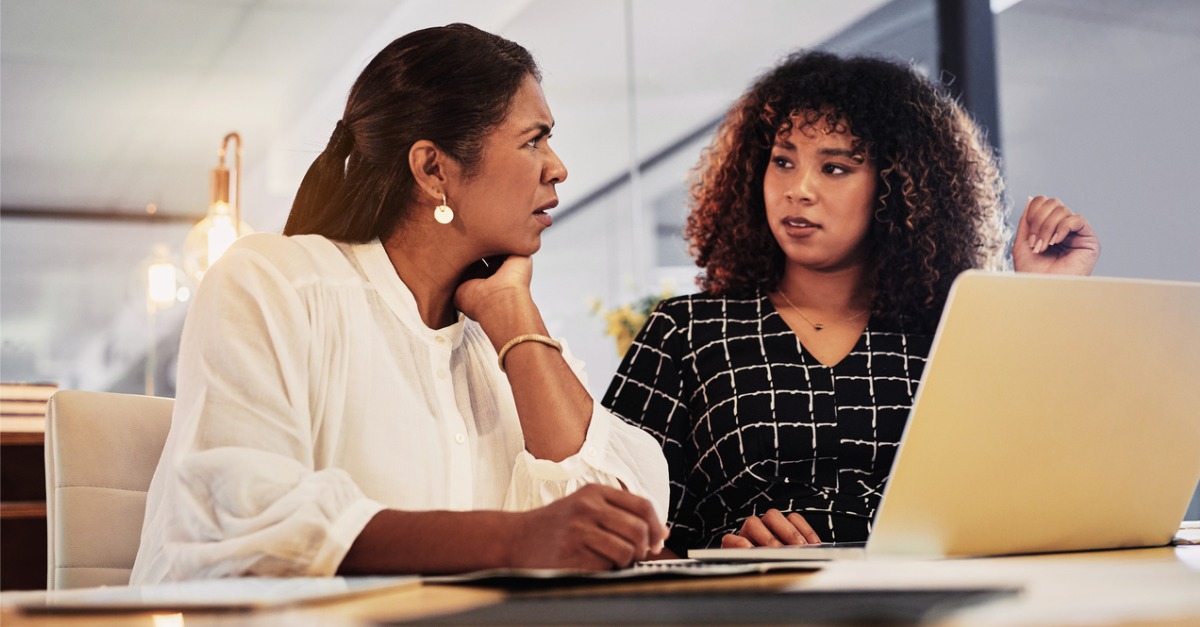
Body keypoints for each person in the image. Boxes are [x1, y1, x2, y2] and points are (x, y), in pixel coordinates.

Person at [131, 24, 669, 584]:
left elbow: (628, 520)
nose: (557, 167)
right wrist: (512, 540)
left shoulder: (500, 341)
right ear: (433, 168)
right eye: (533, 140)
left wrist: (514, 314)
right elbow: (247, 521)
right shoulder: (273, 284)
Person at [601, 50, 1100, 557]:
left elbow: (1041, 488)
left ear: (897, 187)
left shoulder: (954, 334)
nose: (799, 190)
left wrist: (1047, 299)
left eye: (835, 167)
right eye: (782, 161)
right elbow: (612, 525)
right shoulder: (686, 332)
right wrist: (718, 559)